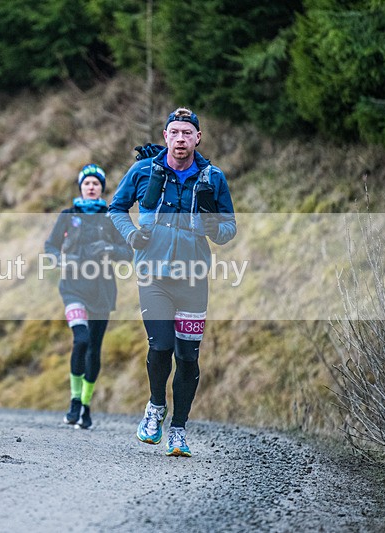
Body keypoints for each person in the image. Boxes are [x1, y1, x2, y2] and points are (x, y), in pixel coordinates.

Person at [109, 108, 236, 457]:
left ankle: (178, 430)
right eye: (174, 132)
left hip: (194, 278)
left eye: (187, 133)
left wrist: (213, 229)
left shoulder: (213, 178)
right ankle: (155, 407)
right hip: (153, 274)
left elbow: (229, 228)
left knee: (188, 357)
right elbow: (116, 208)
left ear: (198, 138)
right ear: (165, 136)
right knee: (161, 345)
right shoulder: (144, 171)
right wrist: (131, 236)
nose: (180, 139)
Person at [44, 164, 132, 429]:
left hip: (103, 290)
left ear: (101, 188)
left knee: (94, 349)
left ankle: (85, 404)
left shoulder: (112, 217)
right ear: (81, 187)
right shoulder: (68, 215)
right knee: (80, 340)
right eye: (87, 183)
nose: (91, 187)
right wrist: (57, 258)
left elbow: (129, 251)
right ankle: (73, 400)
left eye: (96, 183)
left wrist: (110, 248)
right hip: (72, 287)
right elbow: (50, 245)